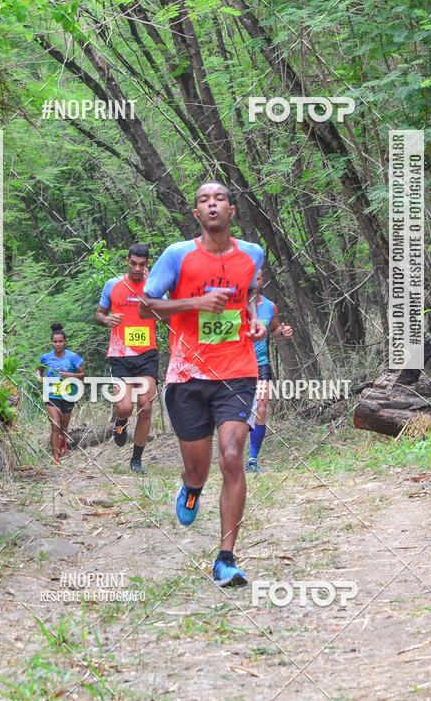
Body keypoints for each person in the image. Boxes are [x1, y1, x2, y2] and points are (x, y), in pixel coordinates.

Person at [140, 182, 265, 587]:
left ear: (232, 209)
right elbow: (146, 304)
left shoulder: (252, 253)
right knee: (199, 468)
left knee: (231, 455)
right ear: (196, 214)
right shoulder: (177, 255)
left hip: (237, 370)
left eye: (220, 199)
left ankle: (225, 558)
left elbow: (248, 295)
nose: (212, 205)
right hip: (187, 375)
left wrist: (254, 319)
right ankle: (192, 489)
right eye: (203, 201)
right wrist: (193, 303)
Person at [96, 244, 158, 474]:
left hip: (146, 354)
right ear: (127, 261)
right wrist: (106, 320)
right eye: (133, 263)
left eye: (142, 264)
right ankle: (120, 424)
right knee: (124, 407)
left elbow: (164, 312)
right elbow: (99, 313)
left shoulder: (153, 287)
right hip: (120, 354)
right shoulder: (113, 285)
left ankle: (136, 460)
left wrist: (152, 287)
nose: (137, 268)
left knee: (145, 407)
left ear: (147, 264)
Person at [246, 270, 293, 473]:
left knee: (261, 407)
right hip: (238, 364)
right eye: (251, 278)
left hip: (261, 363)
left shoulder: (269, 306)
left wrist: (282, 332)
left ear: (262, 280)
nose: (255, 282)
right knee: (238, 412)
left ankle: (252, 458)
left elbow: (274, 330)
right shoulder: (235, 306)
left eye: (258, 278)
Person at [37, 323, 85, 464]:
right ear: (52, 342)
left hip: (68, 394)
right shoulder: (45, 358)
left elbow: (82, 374)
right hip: (51, 394)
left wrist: (70, 375)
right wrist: (39, 377)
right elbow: (39, 370)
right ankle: (56, 457)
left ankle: (63, 441)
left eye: (60, 341)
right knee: (55, 425)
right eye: (55, 341)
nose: (57, 344)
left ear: (65, 342)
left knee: (63, 427)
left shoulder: (73, 357)